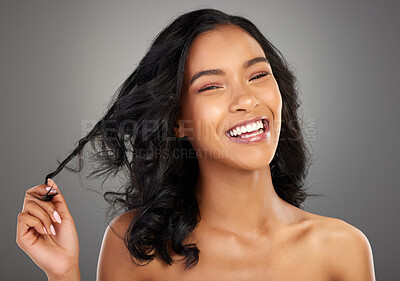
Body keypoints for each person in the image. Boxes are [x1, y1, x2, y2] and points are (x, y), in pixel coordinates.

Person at [16, 8, 376, 281]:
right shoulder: (137, 245)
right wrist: (63, 274)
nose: (246, 100)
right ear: (177, 121)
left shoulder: (342, 249)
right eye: (211, 86)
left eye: (258, 75)